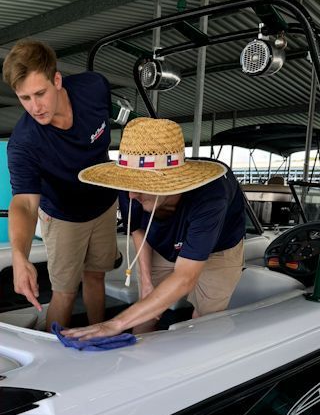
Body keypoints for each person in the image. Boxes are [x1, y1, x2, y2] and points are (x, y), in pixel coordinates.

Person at [62, 117, 245, 340]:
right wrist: (147, 282)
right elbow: (138, 228)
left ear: (173, 184)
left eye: (142, 187)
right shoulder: (131, 187)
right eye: (129, 187)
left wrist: (115, 324)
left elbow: (186, 276)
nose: (130, 196)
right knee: (146, 308)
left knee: (205, 319)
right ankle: (139, 364)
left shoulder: (211, 196)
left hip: (218, 250)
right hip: (160, 242)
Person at [3, 39, 118, 331]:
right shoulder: (23, 143)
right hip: (64, 216)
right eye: (25, 98)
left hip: (104, 204)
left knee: (96, 276)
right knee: (65, 292)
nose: (35, 107)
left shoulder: (94, 88)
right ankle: (54, 359)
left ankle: (100, 337)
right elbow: (25, 204)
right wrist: (20, 256)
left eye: (40, 93)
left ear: (57, 80)